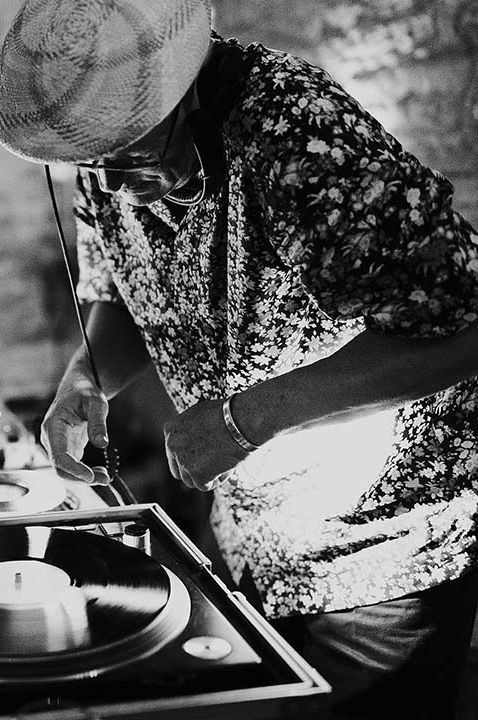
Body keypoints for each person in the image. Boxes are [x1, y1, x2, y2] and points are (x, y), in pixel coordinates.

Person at [1, 1, 478, 717]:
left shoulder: (299, 136)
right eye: (90, 167)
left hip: (385, 555)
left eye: (130, 157)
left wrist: (243, 419)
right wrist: (85, 377)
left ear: (181, 89)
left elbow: (461, 325)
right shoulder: (102, 149)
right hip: (253, 535)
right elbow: (122, 293)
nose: (114, 185)